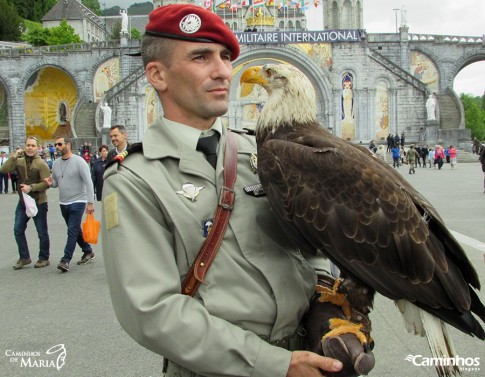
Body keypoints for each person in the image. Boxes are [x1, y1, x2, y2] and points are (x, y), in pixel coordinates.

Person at [101, 4, 373, 377]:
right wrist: (275, 364)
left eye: (226, 57)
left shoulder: (262, 153)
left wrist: (323, 299)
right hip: (219, 369)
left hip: (309, 355)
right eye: (201, 57)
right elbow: (152, 311)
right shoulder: (134, 180)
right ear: (157, 75)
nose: (223, 71)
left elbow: (310, 240)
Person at [44, 137, 96, 272]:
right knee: (75, 230)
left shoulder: (79, 161)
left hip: (78, 201)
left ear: (68, 145)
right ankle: (88, 251)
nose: (57, 146)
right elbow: (56, 183)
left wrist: (90, 202)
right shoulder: (55, 163)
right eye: (55, 144)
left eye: (60, 144)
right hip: (63, 202)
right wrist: (50, 184)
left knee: (71, 231)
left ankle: (65, 260)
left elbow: (89, 183)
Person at [0, 137, 51, 269]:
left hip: (39, 201)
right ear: (24, 146)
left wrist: (31, 188)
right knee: (18, 229)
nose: (30, 148)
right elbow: (4, 170)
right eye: (28, 145)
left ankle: (44, 258)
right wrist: (14, 155)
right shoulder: (19, 161)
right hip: (23, 202)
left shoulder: (41, 164)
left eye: (33, 146)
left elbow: (47, 184)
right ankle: (24, 257)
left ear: (37, 148)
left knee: (42, 232)